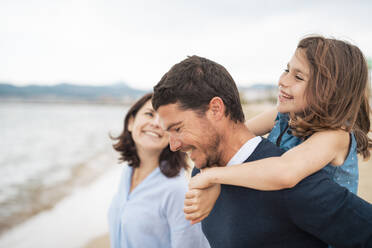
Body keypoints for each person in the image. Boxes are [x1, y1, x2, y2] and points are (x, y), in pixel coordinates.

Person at [152, 55, 372, 247]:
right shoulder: (203, 173)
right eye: (287, 70)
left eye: (178, 128)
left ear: (216, 109)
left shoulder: (293, 184)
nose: (173, 145)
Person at [185, 36, 372, 224]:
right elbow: (228, 141)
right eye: (286, 70)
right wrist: (214, 185)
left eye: (298, 77)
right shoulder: (283, 116)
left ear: (331, 91)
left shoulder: (335, 136)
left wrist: (212, 177)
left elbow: (285, 172)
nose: (283, 81)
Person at [107, 93, 210, 248]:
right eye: (149, 114)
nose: (156, 123)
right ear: (131, 122)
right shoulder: (128, 171)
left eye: (164, 120)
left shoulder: (177, 190)